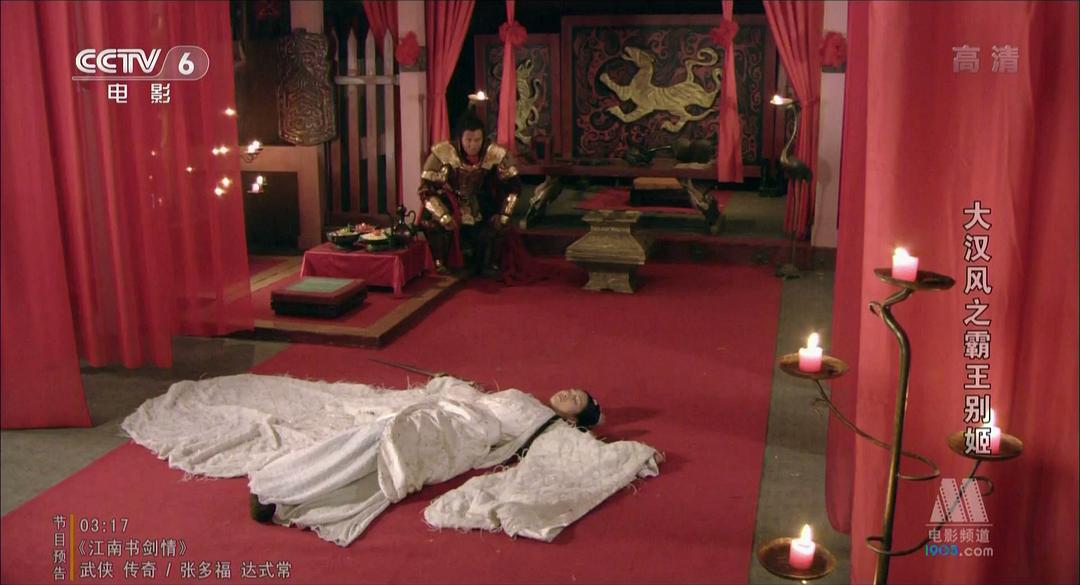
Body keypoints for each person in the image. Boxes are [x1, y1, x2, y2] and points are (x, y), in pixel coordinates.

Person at [244, 379, 606, 544]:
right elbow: (479, 400)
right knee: (375, 434)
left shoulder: (549, 426)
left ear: (574, 418)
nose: (568, 392)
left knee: (390, 444)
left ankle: (289, 493)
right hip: (454, 414)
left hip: (465, 436)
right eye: (573, 389)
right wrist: (456, 387)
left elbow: (577, 452)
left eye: (576, 399)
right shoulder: (531, 401)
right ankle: (287, 482)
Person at [418, 111, 521, 275]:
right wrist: (442, 215)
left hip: (480, 202)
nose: (473, 145)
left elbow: (514, 188)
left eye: (477, 140)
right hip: (451, 202)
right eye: (469, 140)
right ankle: (440, 263)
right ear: (460, 138)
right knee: (431, 224)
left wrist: (504, 214)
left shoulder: (495, 154)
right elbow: (425, 190)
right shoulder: (442, 153)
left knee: (497, 227)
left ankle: (490, 264)